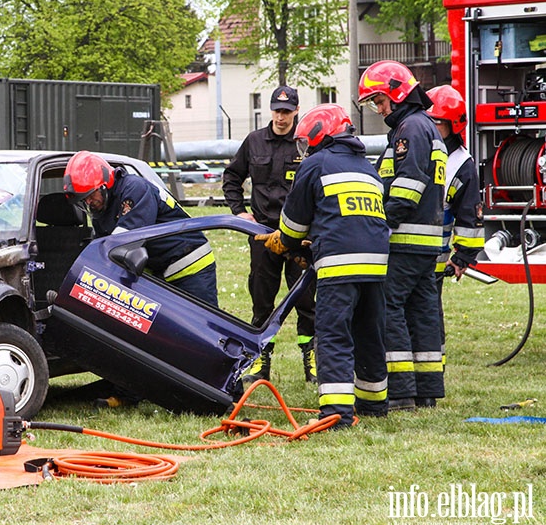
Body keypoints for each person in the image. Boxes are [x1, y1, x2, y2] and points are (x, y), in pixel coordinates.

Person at [256, 104, 390, 428]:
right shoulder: (367, 168)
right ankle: (374, 404)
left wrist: (284, 242)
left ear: (320, 135)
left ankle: (336, 414)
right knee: (369, 334)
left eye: (306, 142)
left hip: (339, 267)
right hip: (376, 265)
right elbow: (351, 219)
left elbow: (293, 220)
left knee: (333, 335)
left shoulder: (316, 165)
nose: (304, 149)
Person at [358, 60, 447, 411]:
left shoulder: (409, 128)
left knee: (390, 307)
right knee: (422, 310)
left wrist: (382, 222)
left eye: (380, 101)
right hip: (427, 242)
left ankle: (400, 392)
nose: (380, 110)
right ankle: (427, 390)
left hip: (406, 239)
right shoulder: (428, 127)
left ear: (396, 93)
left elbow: (408, 187)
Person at [222, 85, 317, 384]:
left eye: (287, 112)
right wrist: (240, 212)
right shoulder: (254, 141)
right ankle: (258, 360)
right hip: (262, 234)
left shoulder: (305, 144)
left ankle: (312, 359)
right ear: (270, 110)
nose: (281, 117)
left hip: (299, 236)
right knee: (262, 301)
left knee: (305, 300)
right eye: (277, 110)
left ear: (296, 112)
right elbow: (232, 177)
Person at [63, 150, 218, 306]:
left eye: (91, 195)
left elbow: (124, 242)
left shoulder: (135, 189)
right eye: (84, 199)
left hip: (190, 265)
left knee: (202, 325)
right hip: (158, 272)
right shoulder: (102, 208)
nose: (89, 202)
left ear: (105, 185)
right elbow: (102, 248)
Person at [427, 85, 484, 371]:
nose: (433, 126)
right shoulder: (416, 149)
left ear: (453, 124)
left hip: (434, 259)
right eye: (430, 120)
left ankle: (434, 369)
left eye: (438, 121)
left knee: (429, 315)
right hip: (402, 253)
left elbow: (469, 216)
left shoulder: (461, 164)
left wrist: (461, 257)